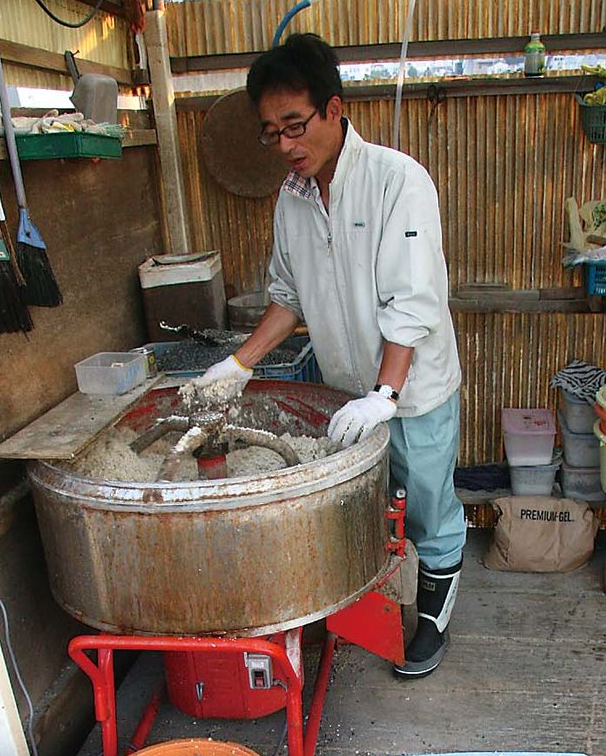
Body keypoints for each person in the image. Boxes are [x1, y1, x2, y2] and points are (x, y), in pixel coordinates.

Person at [196, 33, 465, 679]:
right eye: (272, 132)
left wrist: (386, 396)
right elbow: (288, 297)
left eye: (295, 125)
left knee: (426, 502)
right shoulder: (291, 198)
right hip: (346, 388)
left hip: (413, 389)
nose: (286, 145)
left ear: (334, 108)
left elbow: (412, 302)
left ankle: (434, 613)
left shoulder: (397, 180)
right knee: (371, 501)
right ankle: (370, 600)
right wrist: (238, 364)